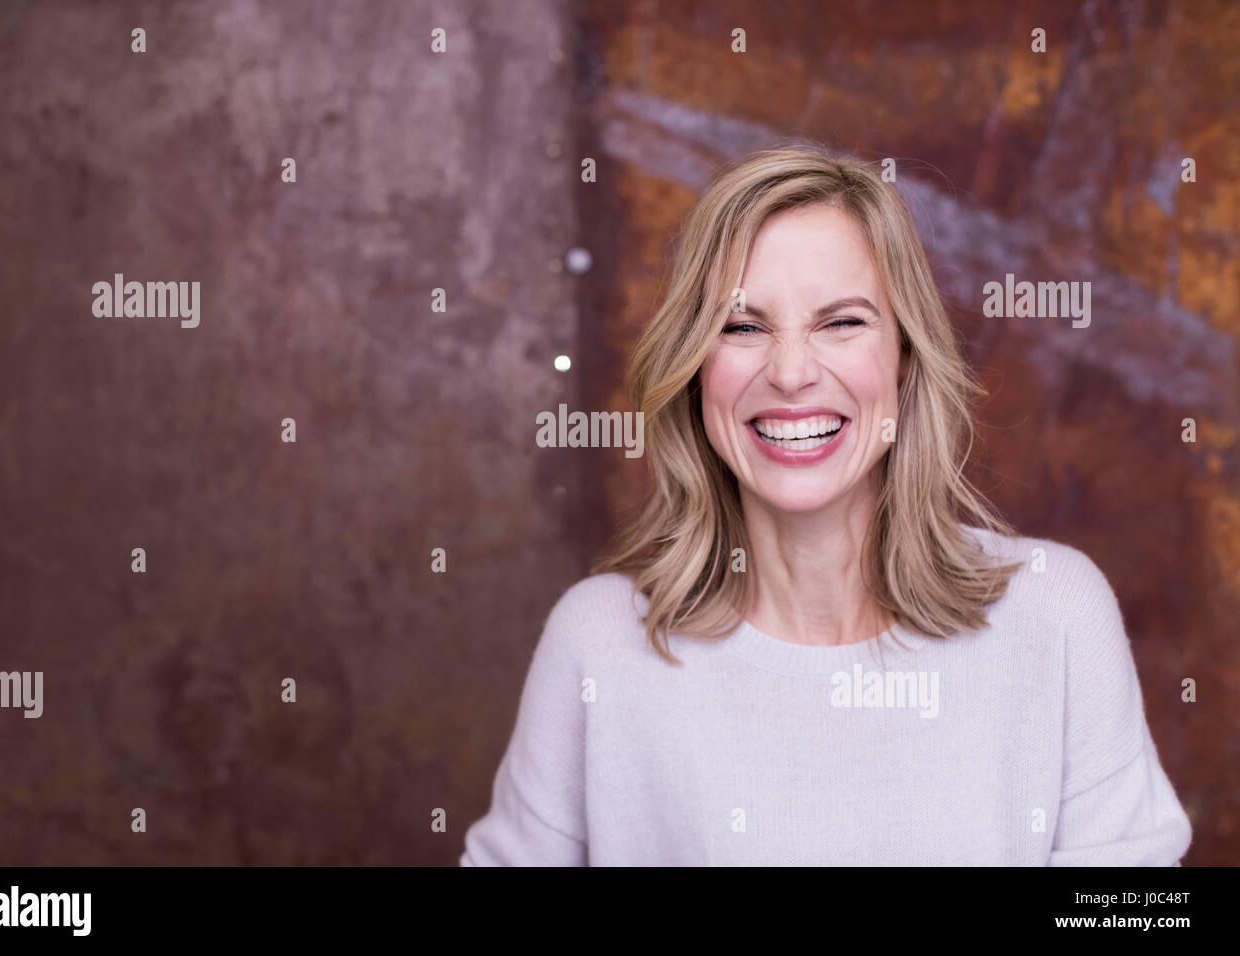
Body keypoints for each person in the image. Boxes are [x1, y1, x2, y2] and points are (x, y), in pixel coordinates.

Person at [460, 145, 1193, 865]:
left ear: (905, 358)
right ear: (693, 371)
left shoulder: (1055, 614)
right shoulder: (598, 641)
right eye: (742, 327)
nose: (789, 373)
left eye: (841, 322)